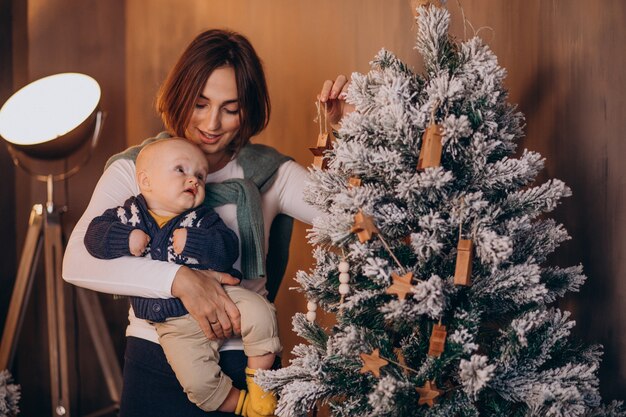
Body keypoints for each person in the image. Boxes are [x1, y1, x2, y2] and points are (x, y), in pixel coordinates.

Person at [62, 28, 351, 417]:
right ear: (180, 96)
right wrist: (181, 281)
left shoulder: (271, 173)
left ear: (248, 110)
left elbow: (354, 216)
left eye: (230, 109)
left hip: (252, 364)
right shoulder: (136, 169)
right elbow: (78, 261)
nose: (212, 123)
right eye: (200, 104)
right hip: (156, 360)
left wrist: (346, 135)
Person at [83, 138, 281, 416]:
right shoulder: (128, 215)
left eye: (200, 176)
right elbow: (93, 236)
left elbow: (227, 248)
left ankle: (261, 385)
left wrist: (194, 242)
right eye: (181, 171)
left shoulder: (201, 218)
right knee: (197, 382)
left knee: (262, 313)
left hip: (223, 297)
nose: (195, 180)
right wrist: (125, 238)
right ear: (146, 181)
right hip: (171, 321)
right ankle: (243, 405)